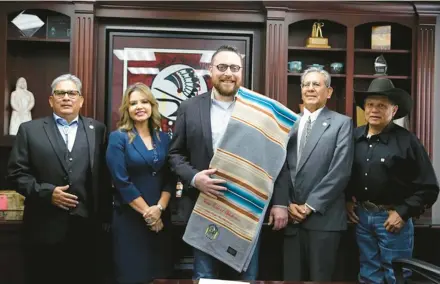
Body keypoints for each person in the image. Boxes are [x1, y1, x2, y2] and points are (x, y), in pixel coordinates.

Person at [168, 45, 264, 280]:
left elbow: (270, 158)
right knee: (205, 277)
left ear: (242, 72)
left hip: (245, 210)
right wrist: (194, 178)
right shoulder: (189, 108)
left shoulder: (257, 109)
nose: (228, 73)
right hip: (203, 207)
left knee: (244, 277)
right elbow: (175, 155)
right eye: (222, 67)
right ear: (210, 70)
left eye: (234, 68)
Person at [7, 74, 111, 284]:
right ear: (50, 100)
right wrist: (46, 193)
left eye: (72, 93)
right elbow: (15, 174)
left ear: (81, 100)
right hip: (43, 229)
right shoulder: (30, 130)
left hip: (87, 232)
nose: (66, 97)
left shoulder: (97, 130)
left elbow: (103, 178)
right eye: (60, 93)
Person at [346, 78, 440, 284]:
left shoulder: (408, 141)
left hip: (392, 220)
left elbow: (429, 187)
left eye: (382, 105)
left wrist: (403, 212)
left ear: (394, 109)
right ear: (364, 108)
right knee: (368, 274)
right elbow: (344, 174)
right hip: (362, 218)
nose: (374, 110)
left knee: (396, 276)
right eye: (370, 104)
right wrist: (348, 200)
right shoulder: (353, 137)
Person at [273, 67, 354, 281]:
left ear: (328, 92)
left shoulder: (342, 124)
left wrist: (309, 206)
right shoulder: (287, 123)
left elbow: (340, 172)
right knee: (291, 279)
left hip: (324, 220)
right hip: (291, 219)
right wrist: (286, 203)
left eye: (316, 84)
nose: (310, 89)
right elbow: (279, 169)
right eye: (306, 85)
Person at [106, 83, 175, 284]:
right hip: (130, 221)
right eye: (133, 103)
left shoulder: (163, 138)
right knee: (132, 276)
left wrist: (160, 209)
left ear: (152, 105)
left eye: (144, 101)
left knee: (160, 276)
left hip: (162, 219)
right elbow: (121, 181)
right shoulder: (118, 138)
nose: (139, 107)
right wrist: (150, 216)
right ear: (127, 109)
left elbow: (170, 178)